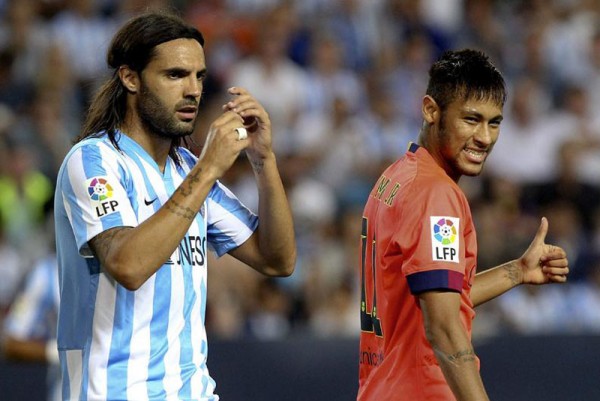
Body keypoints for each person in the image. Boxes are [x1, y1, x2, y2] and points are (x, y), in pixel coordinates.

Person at [54, 10, 296, 401]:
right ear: (130, 78)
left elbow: (277, 260)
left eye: (199, 76)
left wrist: (263, 162)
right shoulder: (94, 161)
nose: (193, 90)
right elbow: (127, 266)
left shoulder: (187, 169)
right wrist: (210, 168)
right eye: (175, 75)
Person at [356, 49, 569, 401]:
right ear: (431, 110)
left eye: (495, 122)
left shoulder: (396, 177)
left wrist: (515, 272)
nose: (485, 137)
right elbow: (443, 328)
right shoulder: (436, 195)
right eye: (471, 119)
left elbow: (437, 299)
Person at [2, 254, 61, 401]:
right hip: (67, 389)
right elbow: (11, 343)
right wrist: (58, 352)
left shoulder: (124, 267)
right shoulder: (47, 273)